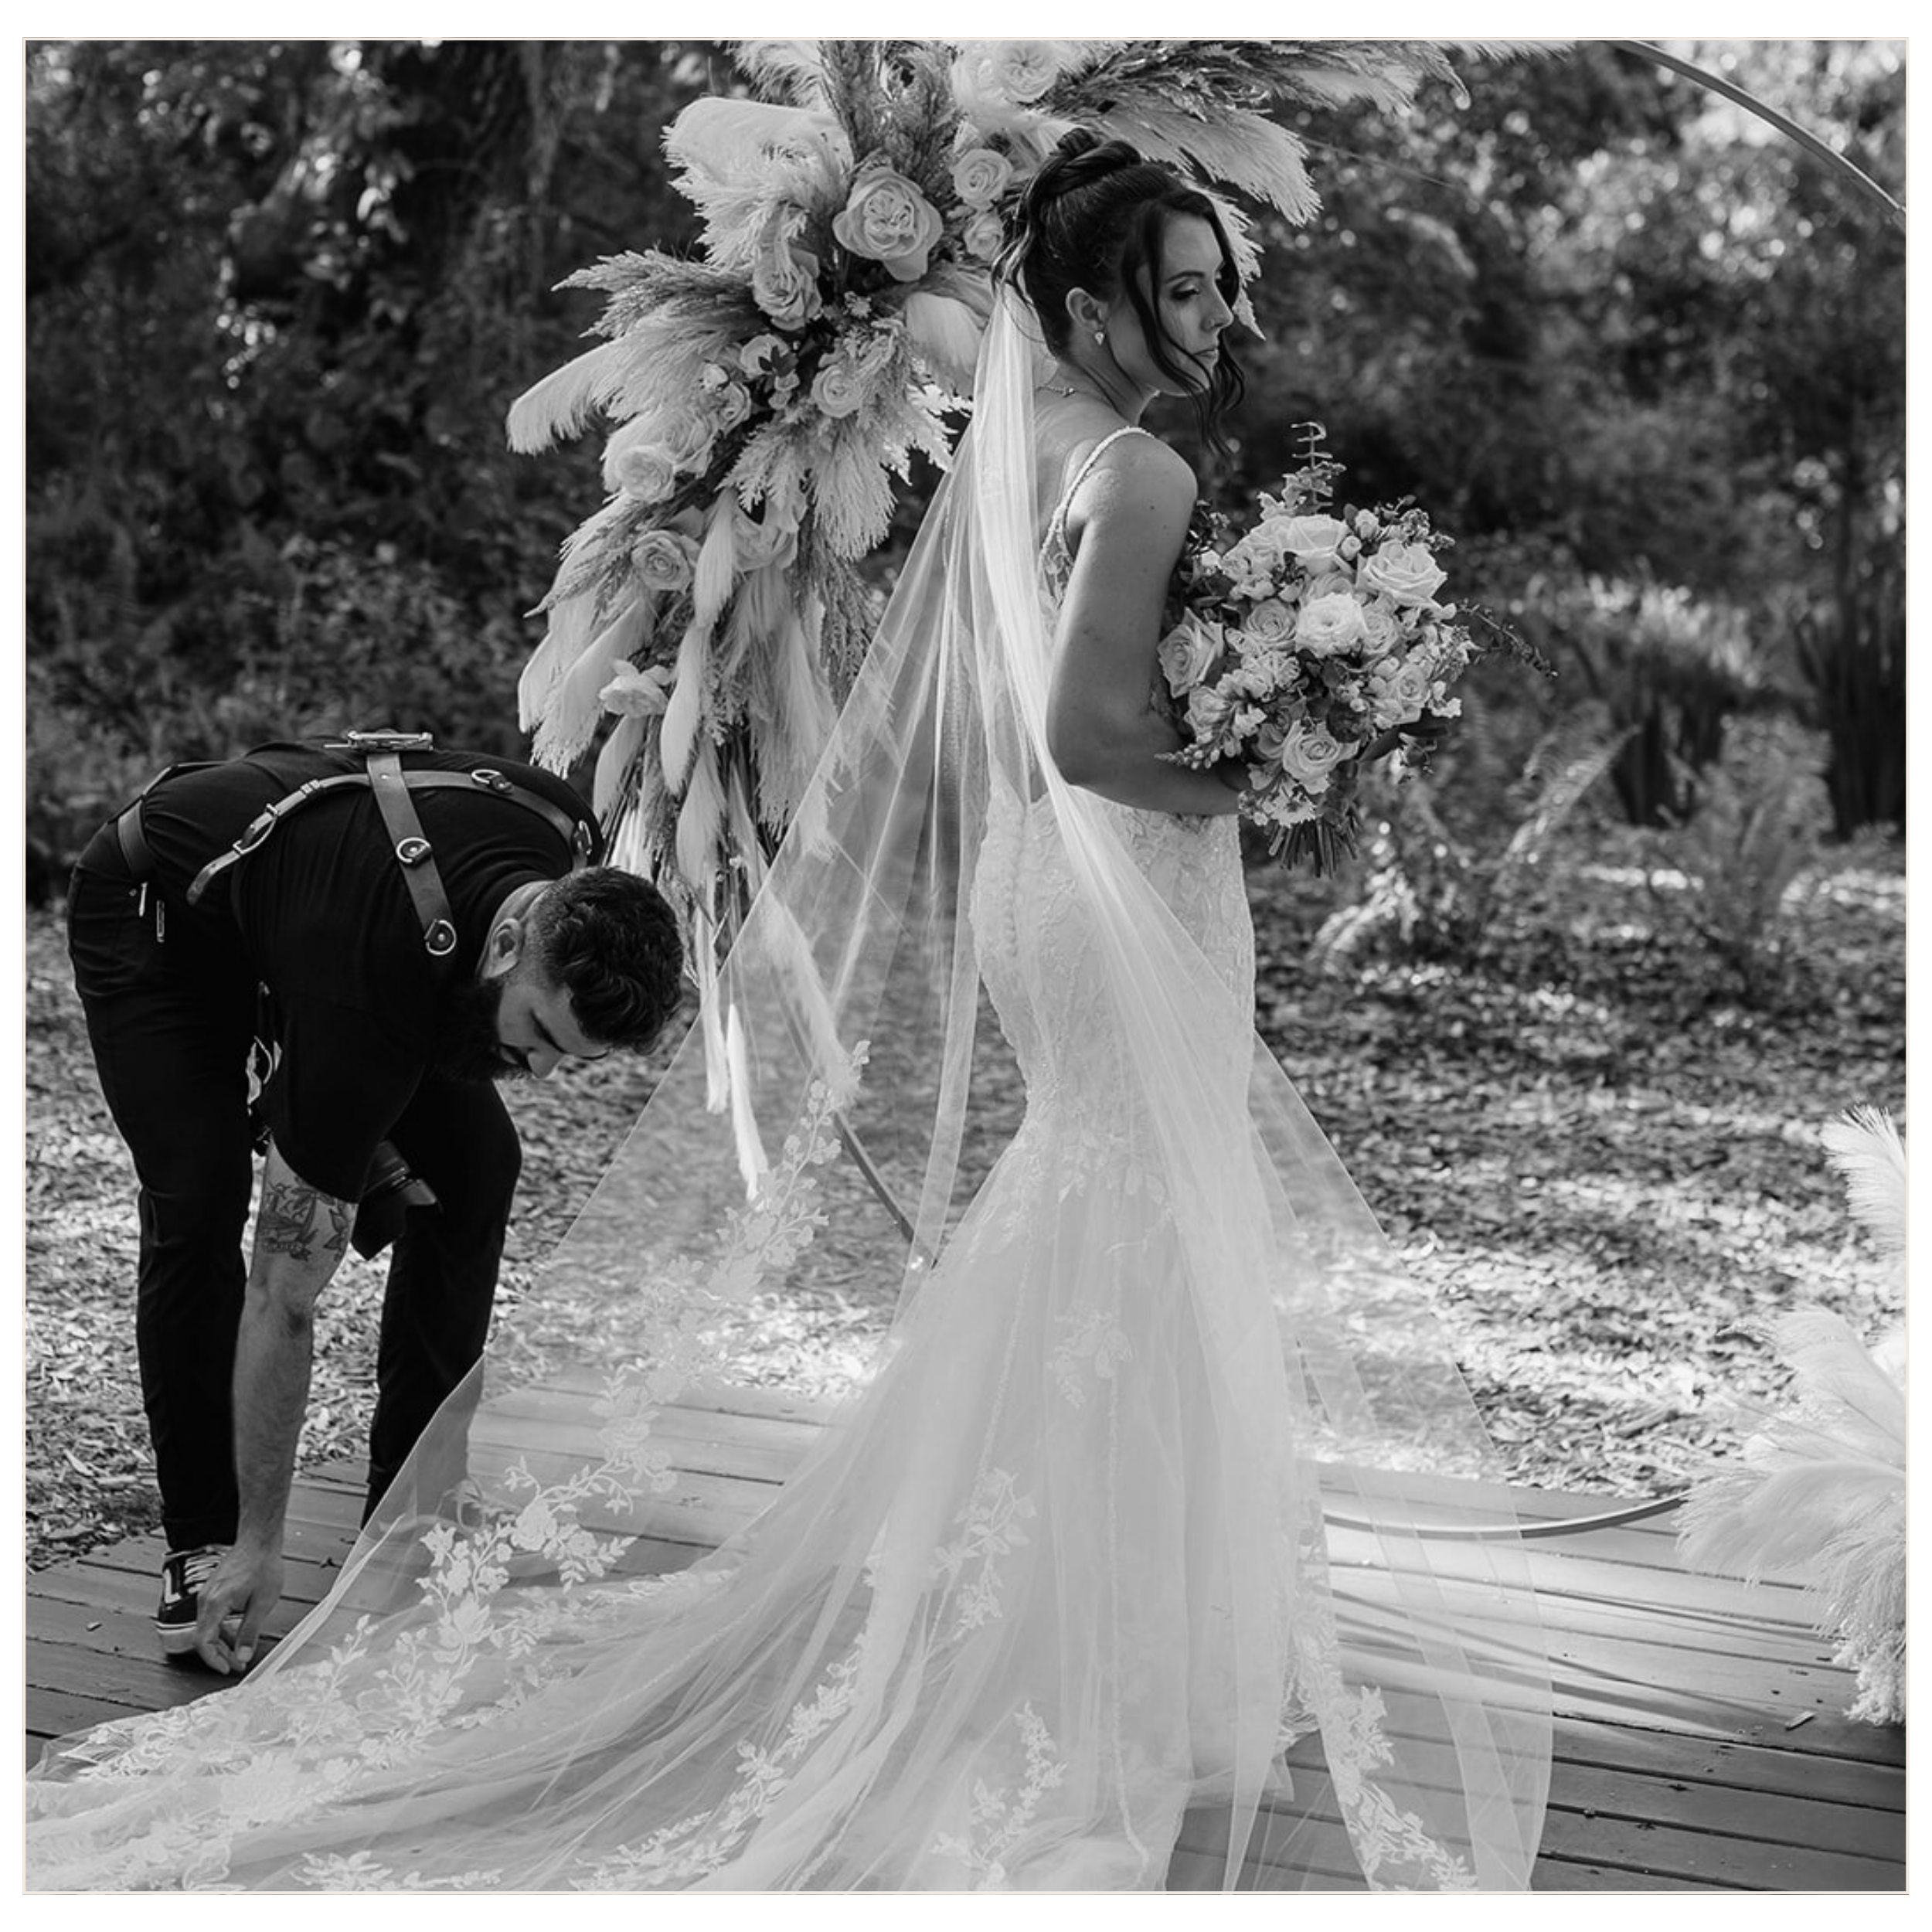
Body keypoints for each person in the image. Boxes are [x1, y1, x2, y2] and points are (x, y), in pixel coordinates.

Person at [26, 136, 1550, 1892]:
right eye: (1183, 286)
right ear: (1083, 299)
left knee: (1097, 1214)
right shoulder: (1131, 466)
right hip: (1125, 871)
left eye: (1221, 285)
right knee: (1137, 1215)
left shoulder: (1014, 452)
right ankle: (1105, 1641)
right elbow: (1079, 732)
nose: (1218, 316)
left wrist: (1248, 720)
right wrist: (1274, 762)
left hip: (1045, 892)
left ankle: (1091, 1610)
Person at [60, 732, 684, 1676]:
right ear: (511, 944)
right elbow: (285, 1297)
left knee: (480, 1167)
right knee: (201, 1194)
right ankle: (204, 1539)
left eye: (572, 1059)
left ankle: (410, 1505)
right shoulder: (367, 1001)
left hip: (332, 930)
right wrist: (263, 1545)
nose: (544, 1071)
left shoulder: (560, 831)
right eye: (541, 1036)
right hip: (160, 917)